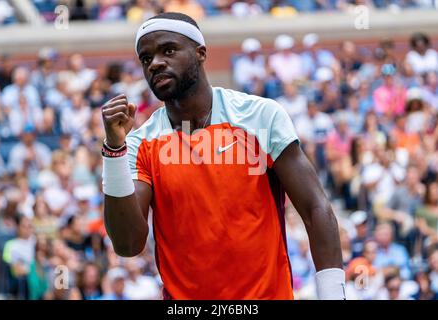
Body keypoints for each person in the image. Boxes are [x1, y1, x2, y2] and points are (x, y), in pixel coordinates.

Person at [101, 12, 344, 300]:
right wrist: (114, 150)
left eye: (168, 50)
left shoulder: (259, 116)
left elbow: (316, 207)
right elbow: (128, 244)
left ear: (201, 53)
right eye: (145, 58)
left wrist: (333, 295)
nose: (155, 63)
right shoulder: (140, 143)